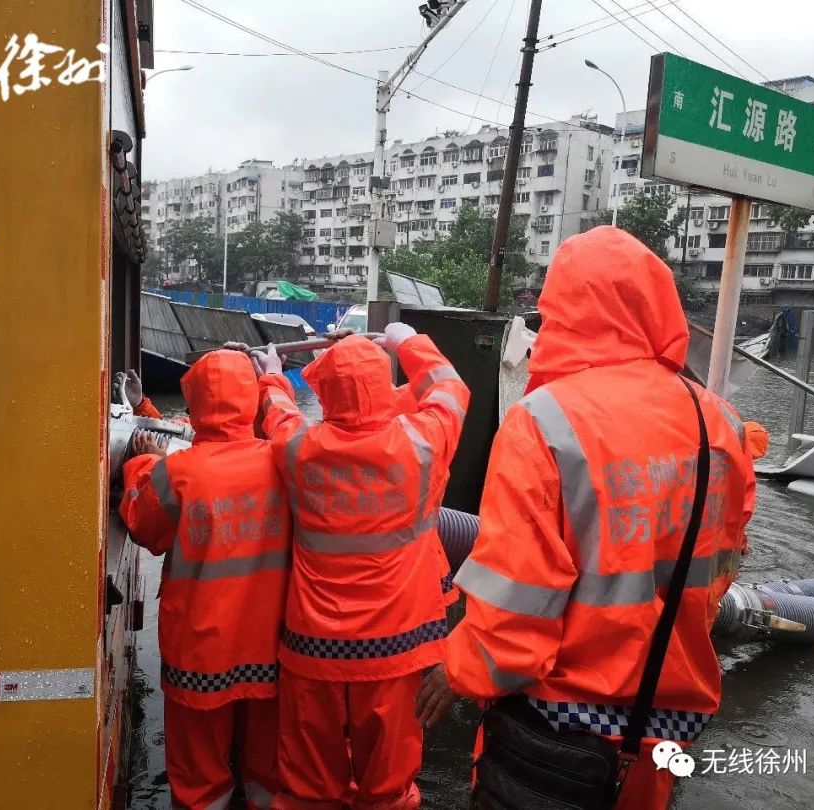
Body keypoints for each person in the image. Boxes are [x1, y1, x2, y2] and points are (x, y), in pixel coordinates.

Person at [415, 226, 756, 809]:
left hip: (557, 736)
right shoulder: (717, 420)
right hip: (662, 731)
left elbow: (515, 613)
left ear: (564, 310)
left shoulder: (543, 421)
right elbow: (718, 569)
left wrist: (459, 668)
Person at [254, 324, 470, 810]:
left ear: (325, 392)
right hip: (398, 646)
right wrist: (405, 339)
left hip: (315, 648)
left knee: (310, 786)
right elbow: (450, 388)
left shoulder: (299, 450)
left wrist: (271, 376)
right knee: (387, 785)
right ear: (382, 384)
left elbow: (278, 414)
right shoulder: (422, 445)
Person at [120, 350, 291, 810]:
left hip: (200, 655)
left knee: (200, 780)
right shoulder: (283, 461)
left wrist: (141, 465)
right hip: (271, 653)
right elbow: (220, 438)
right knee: (267, 774)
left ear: (193, 402)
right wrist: (146, 411)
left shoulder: (177, 472)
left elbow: (143, 525)